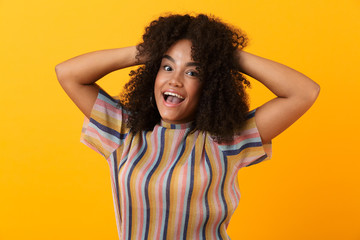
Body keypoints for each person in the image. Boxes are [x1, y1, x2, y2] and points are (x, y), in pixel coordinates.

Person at [55, 13, 319, 240]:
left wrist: (224, 54)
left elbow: (303, 92)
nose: (175, 80)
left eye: (193, 72)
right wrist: (144, 51)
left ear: (210, 86)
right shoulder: (125, 131)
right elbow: (68, 74)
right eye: (167, 67)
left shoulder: (225, 140)